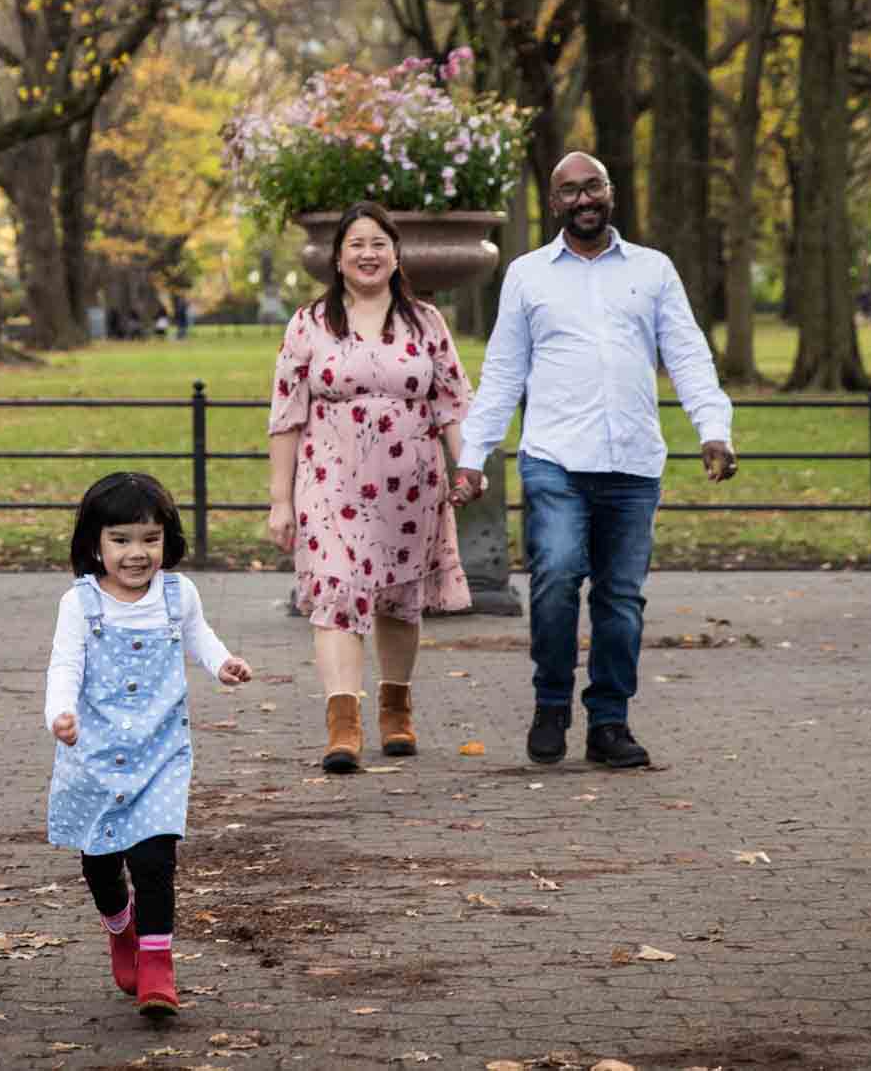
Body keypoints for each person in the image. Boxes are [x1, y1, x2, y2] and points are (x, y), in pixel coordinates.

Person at [451, 151, 738, 770]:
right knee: (555, 576)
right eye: (569, 192)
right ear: (554, 203)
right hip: (555, 458)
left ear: (611, 192)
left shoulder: (653, 270)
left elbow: (687, 354)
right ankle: (551, 703)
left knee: (621, 598)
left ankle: (609, 721)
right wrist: (472, 457)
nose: (584, 200)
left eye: (594, 188)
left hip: (633, 463)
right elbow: (503, 373)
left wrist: (713, 428)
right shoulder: (528, 275)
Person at [266, 201, 474, 773]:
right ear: (337, 258)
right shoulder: (308, 324)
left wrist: (466, 468)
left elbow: (453, 402)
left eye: (379, 244)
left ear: (396, 254)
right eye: (356, 244)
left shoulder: (426, 322)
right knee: (336, 589)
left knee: (399, 598)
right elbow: (286, 415)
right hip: (330, 482)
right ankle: (342, 725)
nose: (367, 254)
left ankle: (396, 709)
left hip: (410, 487)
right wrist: (280, 500)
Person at [45, 472, 253, 1018]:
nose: (136, 554)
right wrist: (59, 714)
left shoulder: (178, 594)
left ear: (167, 539)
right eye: (121, 540)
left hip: (161, 752)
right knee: (100, 863)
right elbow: (65, 664)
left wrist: (222, 663)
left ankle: (158, 967)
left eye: (150, 539)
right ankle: (120, 927)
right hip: (92, 753)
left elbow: (200, 637)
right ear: (95, 542)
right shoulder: (79, 603)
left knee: (154, 857)